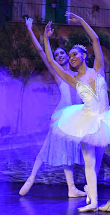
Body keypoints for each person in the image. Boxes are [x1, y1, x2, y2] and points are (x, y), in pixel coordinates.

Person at [43, 13, 110, 212]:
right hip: (86, 120)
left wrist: (81, 21)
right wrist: (45, 38)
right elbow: (51, 62)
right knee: (89, 161)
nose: (71, 58)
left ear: (84, 55)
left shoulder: (98, 68)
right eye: (69, 56)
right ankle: (93, 201)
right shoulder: (73, 80)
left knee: (96, 162)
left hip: (106, 118)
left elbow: (94, 39)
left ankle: (91, 193)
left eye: (74, 54)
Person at [19, 17, 85, 198]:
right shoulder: (60, 75)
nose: (60, 56)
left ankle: (71, 188)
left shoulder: (79, 75)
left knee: (69, 151)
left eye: (62, 54)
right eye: (57, 56)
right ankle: (31, 179)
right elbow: (41, 52)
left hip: (77, 116)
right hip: (63, 114)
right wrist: (34, 31)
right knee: (48, 146)